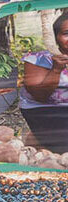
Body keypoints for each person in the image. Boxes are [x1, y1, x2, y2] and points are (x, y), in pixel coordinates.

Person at [20, 12, 68, 154]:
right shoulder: (38, 59)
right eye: (66, 33)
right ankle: (39, 140)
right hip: (42, 111)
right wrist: (56, 69)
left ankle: (38, 141)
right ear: (56, 37)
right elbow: (39, 95)